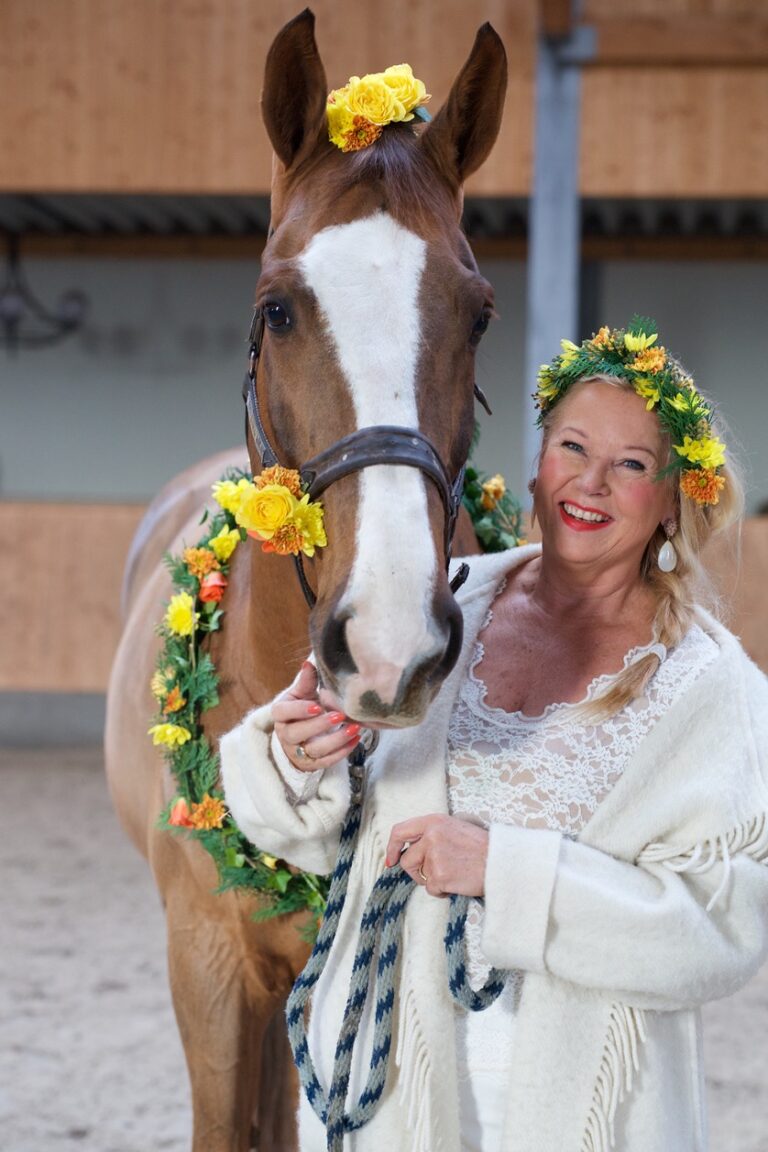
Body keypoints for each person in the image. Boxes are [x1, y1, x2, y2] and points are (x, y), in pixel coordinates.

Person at [220, 318, 768, 1152]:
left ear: (672, 498)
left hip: (589, 1112)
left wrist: (502, 872)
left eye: (632, 465)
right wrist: (296, 758)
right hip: (392, 1092)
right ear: (539, 459)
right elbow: (323, 840)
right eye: (572, 447)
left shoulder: (713, 690)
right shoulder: (442, 614)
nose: (591, 484)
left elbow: (722, 936)